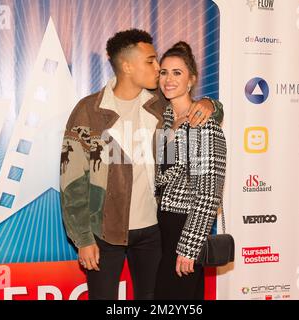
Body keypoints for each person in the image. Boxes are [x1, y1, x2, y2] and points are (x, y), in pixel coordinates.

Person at [59, 29, 223, 300]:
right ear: (127, 66)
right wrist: (83, 239)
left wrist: (211, 104)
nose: (159, 69)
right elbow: (72, 182)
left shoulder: (159, 105)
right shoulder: (89, 110)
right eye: (151, 61)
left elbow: (194, 108)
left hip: (154, 231)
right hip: (105, 232)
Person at [154, 42, 227, 300]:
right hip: (163, 227)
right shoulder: (166, 120)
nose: (168, 79)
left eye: (177, 73)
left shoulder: (204, 124)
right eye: (164, 72)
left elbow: (209, 193)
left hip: (185, 228)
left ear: (191, 80)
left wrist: (190, 246)